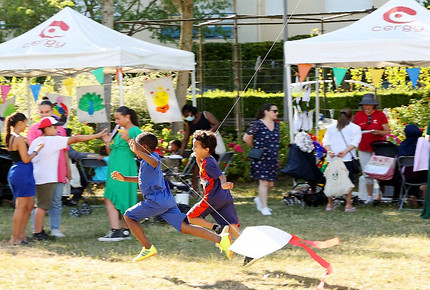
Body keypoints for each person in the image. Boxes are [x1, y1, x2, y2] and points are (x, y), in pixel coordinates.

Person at [111, 132, 233, 262]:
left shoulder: (153, 157)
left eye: (136, 146)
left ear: (145, 147)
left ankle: (147, 248)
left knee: (129, 216)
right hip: (166, 201)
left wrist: (139, 152)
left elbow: (154, 162)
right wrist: (124, 178)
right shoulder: (145, 162)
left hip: (156, 201)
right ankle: (221, 240)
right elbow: (142, 179)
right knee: (184, 227)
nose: (133, 149)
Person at [28, 117, 107, 240]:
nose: (57, 129)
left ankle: (39, 231)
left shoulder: (37, 140)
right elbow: (75, 139)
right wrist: (97, 136)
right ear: (46, 129)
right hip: (46, 178)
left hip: (38, 176)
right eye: (54, 127)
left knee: (41, 205)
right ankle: (38, 234)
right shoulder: (52, 140)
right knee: (42, 206)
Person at [28, 97, 69, 238]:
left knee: (57, 200)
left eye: (47, 111)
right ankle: (37, 228)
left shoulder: (60, 129)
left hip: (58, 170)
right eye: (41, 112)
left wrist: (67, 170)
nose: (44, 114)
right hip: (42, 172)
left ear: (52, 111)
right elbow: (32, 152)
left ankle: (55, 228)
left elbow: (65, 151)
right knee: (40, 203)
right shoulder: (34, 130)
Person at [99, 106, 142, 242]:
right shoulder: (118, 132)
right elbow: (111, 152)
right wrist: (107, 143)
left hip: (125, 167)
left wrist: (129, 140)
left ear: (127, 117)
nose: (116, 121)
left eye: (118, 118)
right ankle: (123, 231)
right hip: (114, 167)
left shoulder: (135, 130)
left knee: (117, 197)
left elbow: (143, 151)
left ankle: (118, 231)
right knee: (110, 196)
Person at [187, 130, 240, 239]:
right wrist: (197, 158)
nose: (193, 149)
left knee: (190, 217)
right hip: (224, 197)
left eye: (196, 147)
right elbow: (202, 166)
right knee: (231, 225)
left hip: (212, 199)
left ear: (206, 149)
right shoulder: (206, 160)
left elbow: (221, 175)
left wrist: (224, 183)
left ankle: (217, 228)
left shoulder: (208, 163)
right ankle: (247, 249)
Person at [5, 113, 44, 245]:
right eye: (26, 123)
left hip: (22, 172)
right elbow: (26, 159)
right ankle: (14, 238)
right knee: (21, 207)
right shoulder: (18, 138)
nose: (27, 125)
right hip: (22, 172)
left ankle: (21, 236)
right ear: (20, 123)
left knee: (28, 206)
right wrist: (37, 150)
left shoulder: (12, 137)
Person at [242, 103, 280, 216]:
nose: (277, 113)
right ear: (266, 112)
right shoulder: (257, 124)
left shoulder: (276, 125)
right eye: (274, 111)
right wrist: (254, 147)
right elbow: (246, 137)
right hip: (261, 158)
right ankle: (264, 207)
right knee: (263, 182)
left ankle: (259, 199)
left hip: (272, 157)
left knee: (271, 184)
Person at [322, 109, 362, 212]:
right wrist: (344, 152)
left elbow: (325, 140)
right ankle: (348, 205)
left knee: (331, 180)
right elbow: (355, 143)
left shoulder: (331, 128)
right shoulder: (356, 128)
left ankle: (329, 204)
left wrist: (329, 151)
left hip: (332, 158)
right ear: (351, 117)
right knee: (348, 181)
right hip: (347, 158)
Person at [354, 94, 390, 204]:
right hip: (363, 147)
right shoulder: (358, 115)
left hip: (378, 147)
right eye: (364, 105)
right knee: (366, 172)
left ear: (373, 105)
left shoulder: (380, 115)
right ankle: (369, 196)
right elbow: (353, 130)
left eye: (368, 105)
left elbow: (387, 131)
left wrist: (378, 132)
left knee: (380, 172)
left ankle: (380, 196)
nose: (366, 107)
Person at [180, 104, 220, 191]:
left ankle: (212, 188)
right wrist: (181, 152)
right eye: (185, 117)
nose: (187, 118)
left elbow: (216, 124)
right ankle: (195, 190)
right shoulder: (189, 123)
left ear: (191, 112)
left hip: (209, 146)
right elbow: (185, 138)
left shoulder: (206, 115)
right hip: (197, 149)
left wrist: (207, 134)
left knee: (209, 166)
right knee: (195, 168)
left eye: (187, 115)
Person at [398, 124, 427, 204]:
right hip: (422, 175)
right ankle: (423, 195)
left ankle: (412, 195)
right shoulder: (422, 144)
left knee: (409, 172)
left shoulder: (403, 145)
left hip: (407, 177)